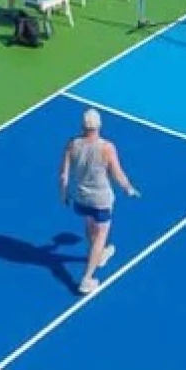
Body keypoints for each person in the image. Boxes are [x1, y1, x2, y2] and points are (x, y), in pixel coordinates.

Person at [59, 107, 138, 295]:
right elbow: (117, 173)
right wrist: (128, 188)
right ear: (99, 125)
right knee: (101, 233)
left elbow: (64, 175)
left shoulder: (72, 144)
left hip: (81, 198)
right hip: (101, 200)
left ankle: (99, 254)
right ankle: (87, 279)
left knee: (90, 225)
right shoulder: (107, 148)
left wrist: (63, 194)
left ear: (82, 125)